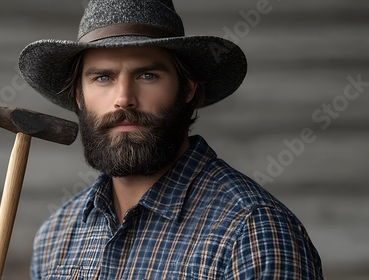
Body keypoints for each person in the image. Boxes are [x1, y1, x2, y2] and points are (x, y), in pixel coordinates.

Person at [18, 0, 324, 279]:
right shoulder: (57, 236)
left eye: (147, 76)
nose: (123, 99)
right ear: (78, 96)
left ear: (187, 89)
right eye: (103, 78)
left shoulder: (252, 232)